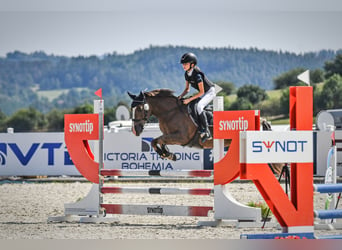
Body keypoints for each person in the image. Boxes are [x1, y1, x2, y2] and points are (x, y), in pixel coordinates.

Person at [178, 52, 216, 143]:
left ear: (192, 64)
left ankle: (206, 131)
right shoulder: (186, 74)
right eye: (183, 64)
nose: (183, 66)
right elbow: (187, 89)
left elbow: (201, 92)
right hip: (203, 93)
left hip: (210, 92)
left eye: (186, 64)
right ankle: (199, 127)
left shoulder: (197, 75)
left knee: (199, 106)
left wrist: (189, 99)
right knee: (191, 105)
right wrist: (180, 97)